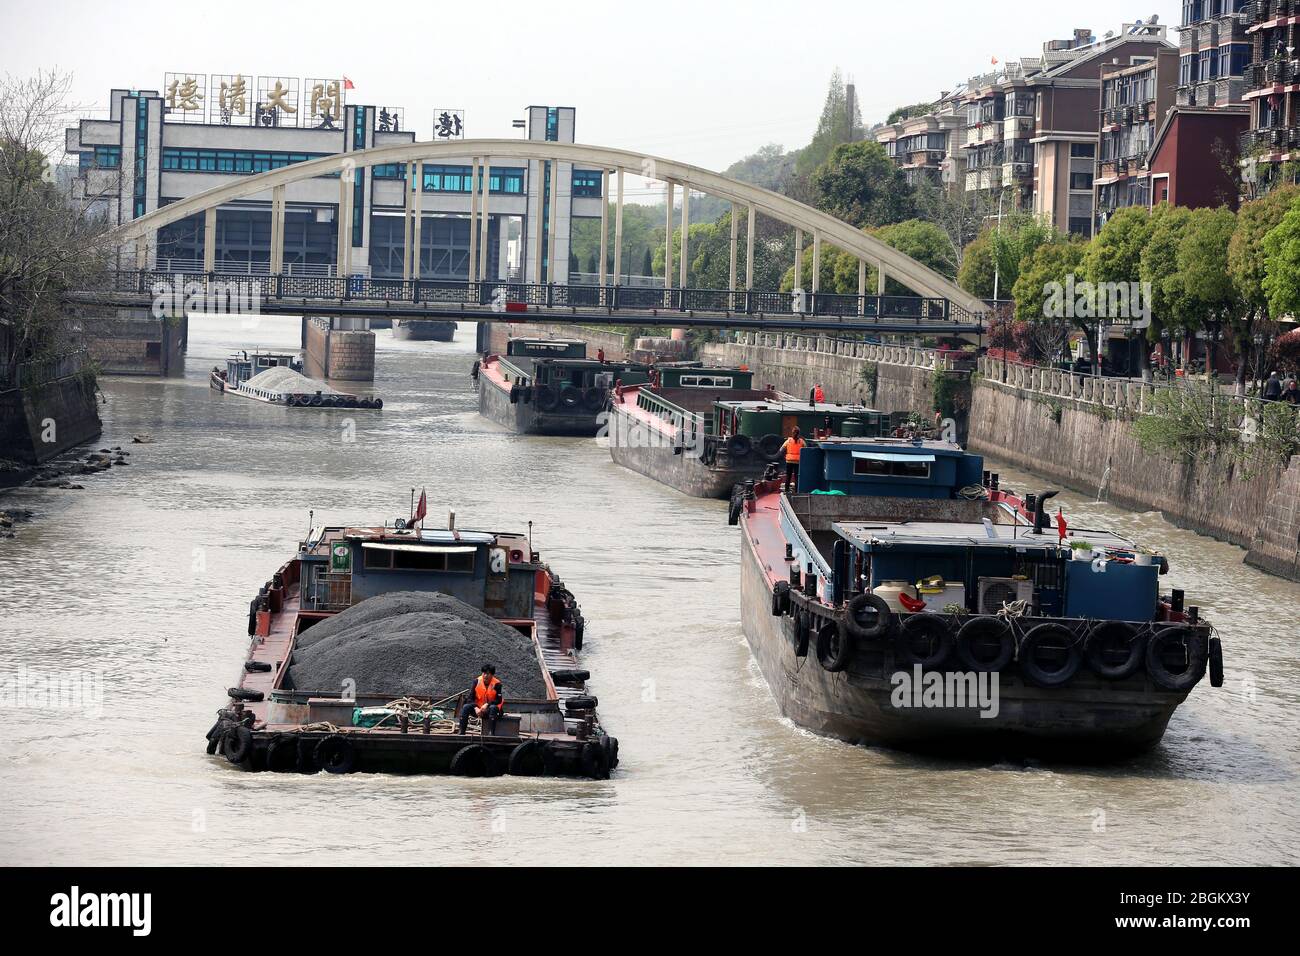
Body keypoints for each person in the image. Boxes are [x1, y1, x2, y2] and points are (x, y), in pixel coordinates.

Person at [457, 664, 504, 736]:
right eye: (484, 673)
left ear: (492, 675)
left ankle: (491, 734)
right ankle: (461, 732)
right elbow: (470, 698)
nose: (485, 676)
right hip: (478, 710)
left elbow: (499, 700)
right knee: (466, 707)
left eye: (488, 674)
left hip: (491, 711)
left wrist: (487, 704)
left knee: (493, 707)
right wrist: (475, 708)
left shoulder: (497, 684)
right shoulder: (477, 681)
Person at [779, 428, 806, 494]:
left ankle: (786, 490)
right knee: (797, 477)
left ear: (792, 433)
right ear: (799, 433)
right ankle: (796, 491)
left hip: (789, 461)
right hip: (797, 461)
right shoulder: (801, 441)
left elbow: (781, 450)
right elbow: (806, 450)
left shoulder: (788, 441)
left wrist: (785, 456)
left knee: (788, 476)